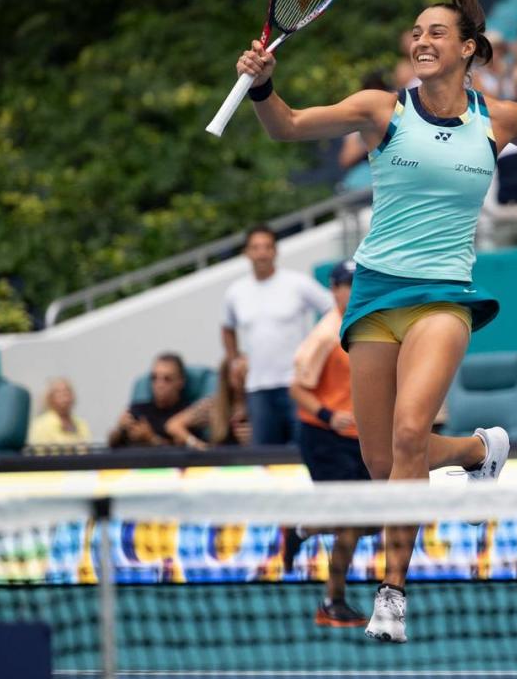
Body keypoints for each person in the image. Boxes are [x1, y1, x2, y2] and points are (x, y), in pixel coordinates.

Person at [234, 0, 517, 642]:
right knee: (383, 464)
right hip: (376, 293)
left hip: (444, 294)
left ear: (468, 49)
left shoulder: (501, 119)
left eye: (437, 31)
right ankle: (476, 448)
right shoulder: (383, 108)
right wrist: (261, 84)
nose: (422, 39)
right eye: (416, 32)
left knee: (408, 434)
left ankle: (392, 594)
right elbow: (285, 125)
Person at [285, 260, 373, 627]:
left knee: (372, 520)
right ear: (334, 290)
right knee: (354, 520)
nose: (351, 291)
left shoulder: (367, 327)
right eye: (344, 285)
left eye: (357, 284)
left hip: (358, 438)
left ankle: (302, 528)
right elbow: (296, 388)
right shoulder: (325, 334)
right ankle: (332, 601)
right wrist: (328, 416)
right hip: (324, 438)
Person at [222, 225, 334, 445]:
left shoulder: (297, 283)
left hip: (296, 384)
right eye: (255, 248)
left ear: (275, 251)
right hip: (257, 386)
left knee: (302, 451)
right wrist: (234, 360)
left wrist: (317, 347)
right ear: (246, 253)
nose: (261, 253)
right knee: (263, 457)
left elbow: (333, 309)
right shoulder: (235, 292)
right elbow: (227, 327)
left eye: (267, 247)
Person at [108, 353, 208, 449]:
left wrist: (152, 439)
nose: (159, 385)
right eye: (154, 378)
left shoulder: (189, 416)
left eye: (167, 379)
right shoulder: (138, 411)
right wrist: (119, 429)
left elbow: (189, 452)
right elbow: (113, 445)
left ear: (181, 381)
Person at [338, 72, 392, 191]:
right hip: (366, 180)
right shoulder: (358, 123)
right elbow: (346, 159)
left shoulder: (401, 116)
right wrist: (371, 136)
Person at [27, 378, 91, 450]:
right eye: (58, 392)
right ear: (49, 398)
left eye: (68, 391)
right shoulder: (40, 425)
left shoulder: (82, 424)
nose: (64, 396)